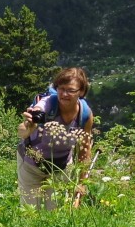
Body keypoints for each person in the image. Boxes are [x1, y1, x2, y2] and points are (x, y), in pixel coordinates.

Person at [17, 67, 94, 209]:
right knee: (30, 212)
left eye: (71, 90)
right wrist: (29, 127)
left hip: (61, 167)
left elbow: (85, 149)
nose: (64, 94)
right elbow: (21, 132)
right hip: (31, 165)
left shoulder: (85, 115)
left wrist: (81, 183)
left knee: (55, 212)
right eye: (61, 88)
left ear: (81, 92)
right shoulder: (47, 104)